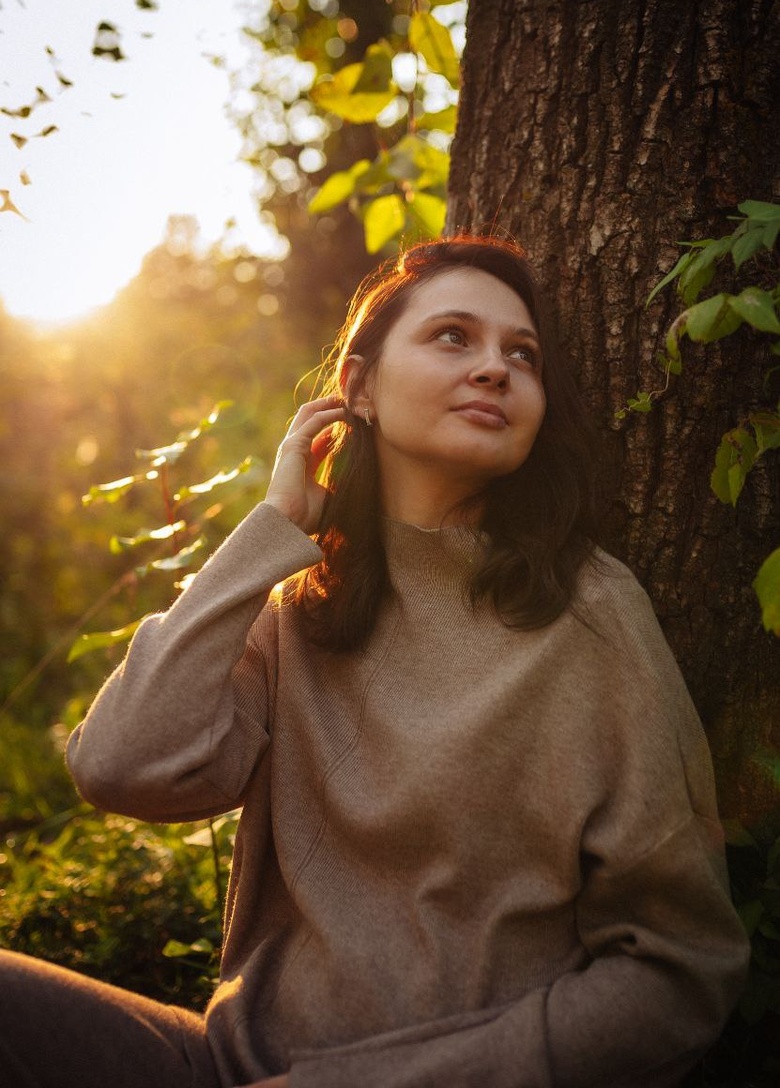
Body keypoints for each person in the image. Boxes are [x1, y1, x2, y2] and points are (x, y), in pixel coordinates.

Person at [0, 235, 749, 1088]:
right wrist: (274, 529)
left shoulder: (593, 615)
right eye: (453, 336)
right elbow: (119, 767)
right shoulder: (297, 606)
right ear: (358, 386)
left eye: (523, 354)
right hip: (224, 1066)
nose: (496, 368)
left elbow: (681, 972)